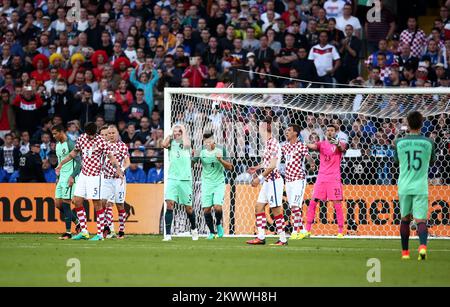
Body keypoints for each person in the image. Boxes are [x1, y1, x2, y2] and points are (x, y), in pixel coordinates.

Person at [56, 122, 124, 241]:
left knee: (97, 203)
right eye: (89, 135)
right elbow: (74, 153)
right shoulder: (82, 138)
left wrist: (118, 169)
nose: (90, 137)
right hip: (84, 174)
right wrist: (61, 163)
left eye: (92, 135)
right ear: (85, 133)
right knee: (77, 201)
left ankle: (99, 234)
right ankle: (84, 231)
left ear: (95, 133)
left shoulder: (101, 141)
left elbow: (111, 157)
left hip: (96, 175)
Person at [394, 111, 435, 260]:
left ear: (408, 124)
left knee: (405, 219)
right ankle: (422, 248)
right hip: (420, 186)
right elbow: (432, 162)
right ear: (421, 124)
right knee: (420, 221)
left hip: (404, 185)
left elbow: (396, 162)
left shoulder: (399, 142)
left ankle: (405, 253)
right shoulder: (429, 142)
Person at [301, 124, 347, 239]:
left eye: (332, 130)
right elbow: (312, 146)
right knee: (313, 202)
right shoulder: (321, 144)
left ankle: (341, 231)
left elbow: (342, 149)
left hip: (334, 179)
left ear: (336, 132)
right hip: (321, 178)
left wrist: (337, 144)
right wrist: (303, 144)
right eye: (328, 130)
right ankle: (307, 230)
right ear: (326, 132)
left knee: (337, 204)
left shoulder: (340, 144)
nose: (329, 132)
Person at [246, 117, 286, 246]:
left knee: (275, 209)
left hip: (273, 180)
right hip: (268, 181)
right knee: (259, 207)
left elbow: (273, 165)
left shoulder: (273, 143)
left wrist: (259, 178)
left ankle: (282, 239)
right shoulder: (268, 143)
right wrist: (257, 168)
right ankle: (261, 237)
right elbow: (267, 162)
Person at [192, 132, 233, 240]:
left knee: (217, 206)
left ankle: (218, 224)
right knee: (206, 209)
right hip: (206, 183)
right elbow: (192, 164)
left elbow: (230, 167)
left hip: (219, 183)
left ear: (214, 140)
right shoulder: (200, 150)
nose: (208, 144)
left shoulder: (221, 150)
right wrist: (191, 157)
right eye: (206, 142)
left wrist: (220, 160)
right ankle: (211, 232)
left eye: (210, 141)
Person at [162, 124, 198, 241]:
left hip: (185, 179)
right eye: (175, 131)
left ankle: (194, 229)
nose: (177, 133)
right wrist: (172, 134)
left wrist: (183, 131)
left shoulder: (186, 142)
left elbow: (187, 144)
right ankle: (168, 235)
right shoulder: (171, 142)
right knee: (170, 204)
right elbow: (163, 144)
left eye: (179, 131)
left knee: (188, 208)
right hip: (173, 178)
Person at [281, 124, 316, 240]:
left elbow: (308, 156)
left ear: (295, 133)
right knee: (293, 207)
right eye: (286, 130)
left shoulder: (301, 146)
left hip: (298, 179)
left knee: (296, 206)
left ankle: (295, 232)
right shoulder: (285, 147)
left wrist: (312, 163)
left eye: (289, 130)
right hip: (288, 180)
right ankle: (303, 230)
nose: (287, 132)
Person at [52, 124, 81, 240]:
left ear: (61, 132)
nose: (54, 136)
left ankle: (68, 233)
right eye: (53, 134)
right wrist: (58, 177)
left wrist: (72, 176)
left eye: (55, 133)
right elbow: (60, 162)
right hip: (61, 177)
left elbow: (79, 163)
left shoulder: (70, 143)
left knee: (66, 203)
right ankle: (77, 222)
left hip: (70, 177)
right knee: (58, 204)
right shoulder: (58, 145)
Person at [101, 125, 130, 239]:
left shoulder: (122, 146)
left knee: (119, 205)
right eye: (109, 133)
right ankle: (108, 228)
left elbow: (127, 162)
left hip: (119, 180)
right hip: (106, 179)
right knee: (104, 203)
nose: (111, 135)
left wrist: (122, 170)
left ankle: (121, 231)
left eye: (113, 133)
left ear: (117, 133)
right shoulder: (104, 146)